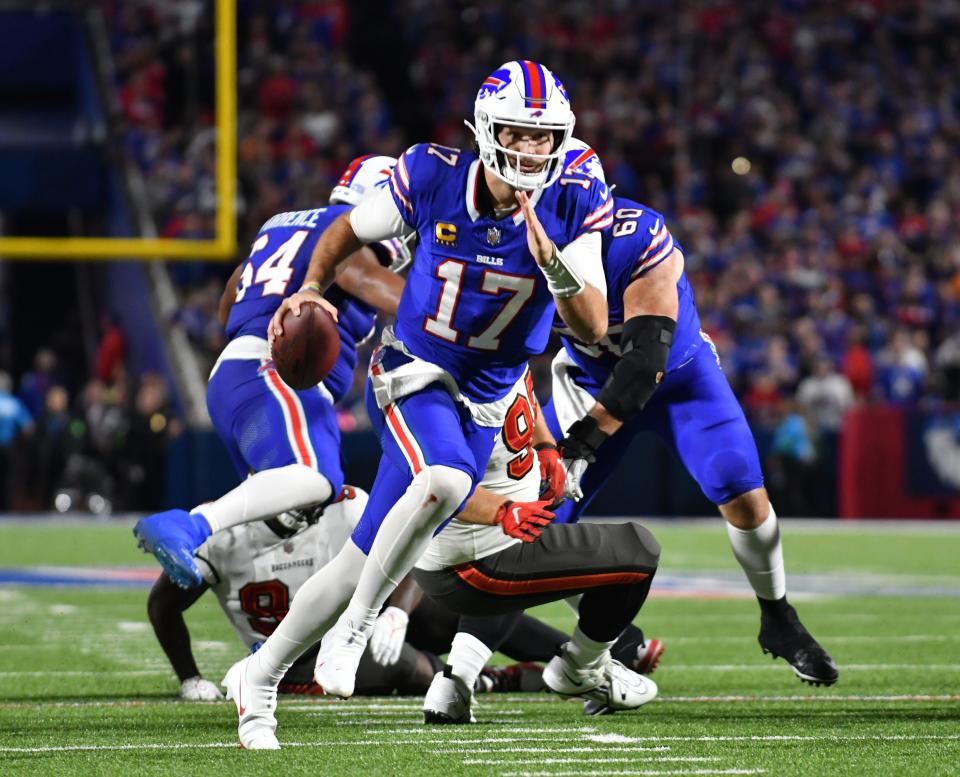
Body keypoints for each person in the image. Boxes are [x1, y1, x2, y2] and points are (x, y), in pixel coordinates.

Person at [226, 60, 611, 748]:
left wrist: (555, 261)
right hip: (415, 370)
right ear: (488, 132)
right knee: (446, 478)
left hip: (490, 395)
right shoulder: (433, 174)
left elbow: (591, 327)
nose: (531, 150)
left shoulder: (576, 192)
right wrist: (312, 283)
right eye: (517, 134)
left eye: (542, 136)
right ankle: (355, 627)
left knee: (354, 560)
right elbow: (347, 228)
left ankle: (259, 679)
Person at [544, 196, 839, 687]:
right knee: (538, 515)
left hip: (676, 378)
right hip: (588, 382)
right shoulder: (523, 248)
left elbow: (643, 365)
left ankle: (779, 619)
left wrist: (582, 440)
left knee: (738, 485)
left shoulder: (637, 239)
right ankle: (610, 627)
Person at [133, 155, 407, 587]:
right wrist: (443, 317)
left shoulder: (286, 223)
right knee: (316, 478)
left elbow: (232, 293)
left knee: (297, 515)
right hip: (274, 374)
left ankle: (262, 621)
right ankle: (193, 527)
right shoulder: (348, 229)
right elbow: (362, 277)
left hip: (240, 370)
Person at [413, 368, 660, 723]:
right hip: (473, 559)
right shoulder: (444, 388)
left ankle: (455, 684)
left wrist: (544, 447)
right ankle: (583, 668)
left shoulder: (491, 352)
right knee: (639, 549)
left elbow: (521, 389)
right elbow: (437, 489)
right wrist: (506, 513)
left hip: (466, 553)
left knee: (532, 562)